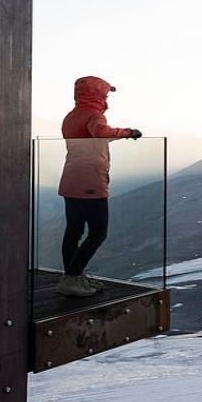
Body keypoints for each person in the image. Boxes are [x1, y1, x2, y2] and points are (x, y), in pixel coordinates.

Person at [56, 76, 142, 297]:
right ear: (97, 95)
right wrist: (128, 133)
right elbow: (100, 132)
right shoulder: (95, 115)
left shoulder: (71, 116)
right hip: (90, 181)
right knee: (98, 232)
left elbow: (93, 136)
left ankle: (75, 278)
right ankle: (71, 278)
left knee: (73, 231)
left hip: (71, 180)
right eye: (105, 95)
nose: (107, 100)